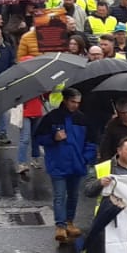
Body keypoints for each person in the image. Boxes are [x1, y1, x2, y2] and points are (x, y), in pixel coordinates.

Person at [40, 90, 94, 242]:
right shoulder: (51, 118)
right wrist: (53, 138)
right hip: (58, 163)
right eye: (73, 102)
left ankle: (69, 222)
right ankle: (60, 225)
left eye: (78, 102)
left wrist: (85, 159)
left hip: (77, 164)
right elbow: (39, 138)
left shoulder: (82, 119)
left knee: (73, 196)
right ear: (65, 100)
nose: (75, 105)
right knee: (59, 196)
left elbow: (91, 142)